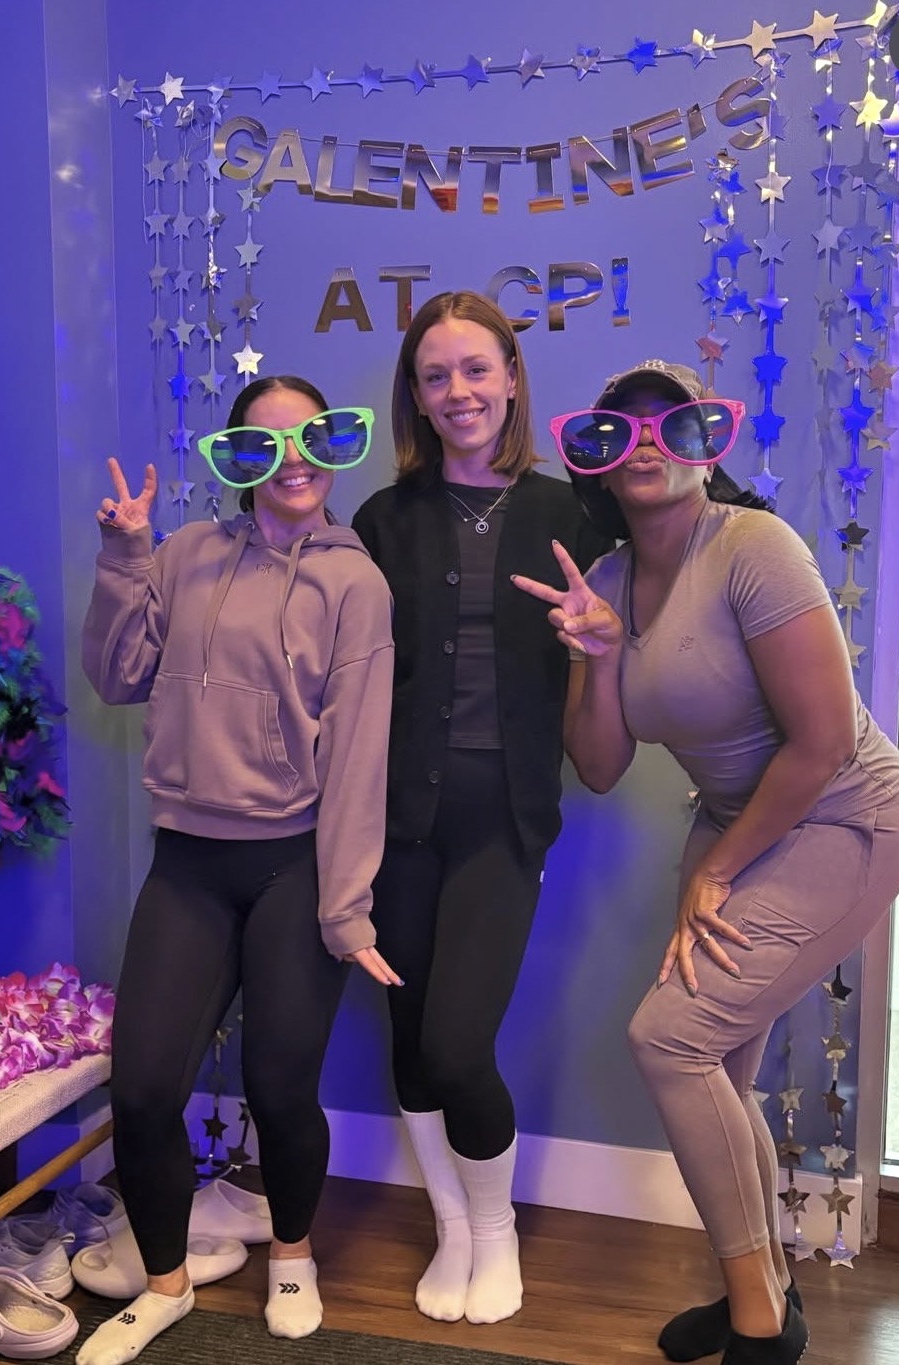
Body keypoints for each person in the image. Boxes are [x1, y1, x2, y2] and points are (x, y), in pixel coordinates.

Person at [513, 359, 899, 1365]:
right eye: (624, 429)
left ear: (709, 447)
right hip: (742, 819)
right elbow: (600, 767)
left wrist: (715, 868)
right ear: (598, 458)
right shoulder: (609, 584)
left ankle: (757, 1327)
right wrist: (594, 659)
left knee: (670, 1040)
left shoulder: (753, 547)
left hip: (845, 814)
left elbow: (822, 743)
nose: (649, 443)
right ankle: (767, 1291)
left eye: (677, 425)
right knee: (716, 1066)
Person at [79, 375, 398, 1365]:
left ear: (334, 449)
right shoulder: (184, 554)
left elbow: (358, 757)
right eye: (266, 444)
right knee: (142, 1091)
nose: (292, 461)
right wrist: (126, 555)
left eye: (313, 439)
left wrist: (346, 910)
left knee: (281, 1086)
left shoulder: (354, 584)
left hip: (292, 866)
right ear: (238, 460)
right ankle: (166, 1284)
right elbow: (117, 675)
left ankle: (292, 1255)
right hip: (187, 861)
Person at [351, 291, 614, 1326]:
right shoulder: (383, 521)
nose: (457, 390)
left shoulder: (572, 514)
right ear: (415, 397)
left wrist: (604, 638)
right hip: (395, 823)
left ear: (510, 377)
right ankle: (452, 1228)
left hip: (503, 822)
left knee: (459, 1044)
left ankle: (494, 1230)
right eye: (435, 375)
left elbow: (706, 523)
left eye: (474, 368)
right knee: (410, 1038)